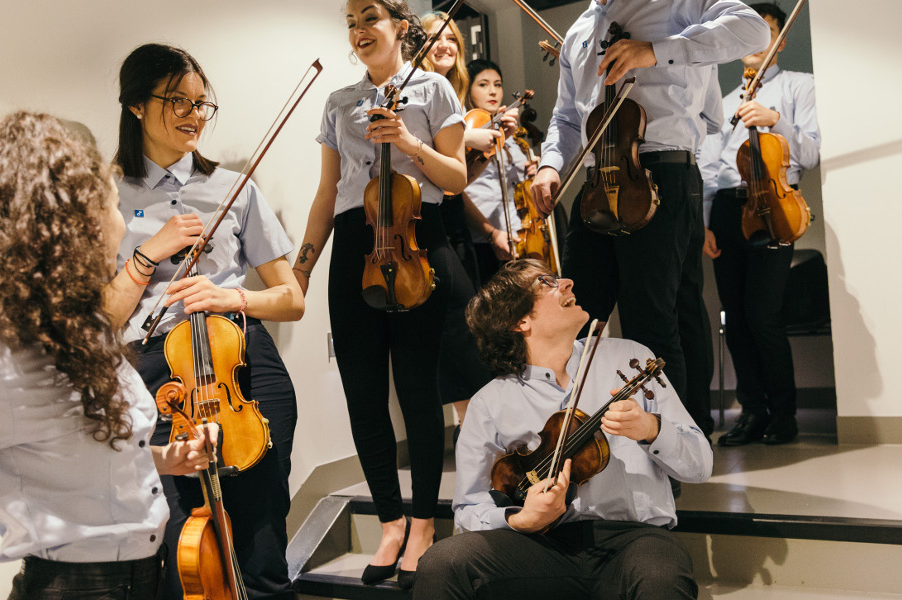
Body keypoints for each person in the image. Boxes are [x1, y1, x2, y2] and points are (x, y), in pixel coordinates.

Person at [0, 111, 210, 600]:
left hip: (144, 578)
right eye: (115, 206)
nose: (122, 226)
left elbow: (82, 457)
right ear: (72, 227)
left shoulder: (78, 329)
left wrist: (167, 459)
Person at [104, 43, 304, 600]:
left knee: (263, 533)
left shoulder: (233, 189)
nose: (195, 115)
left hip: (240, 360)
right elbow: (101, 319)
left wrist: (229, 298)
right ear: (137, 106)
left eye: (201, 104)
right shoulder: (106, 194)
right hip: (152, 371)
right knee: (180, 543)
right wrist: (149, 256)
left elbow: (291, 299)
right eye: (178, 102)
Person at [529, 0, 771, 441]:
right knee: (575, 317)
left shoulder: (680, 3)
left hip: (661, 170)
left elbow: (754, 31)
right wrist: (550, 164)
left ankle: (671, 451)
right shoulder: (582, 29)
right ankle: (580, 449)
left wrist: (654, 50)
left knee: (652, 322)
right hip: (595, 179)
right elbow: (567, 116)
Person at [292, 0, 466, 589]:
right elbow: (326, 191)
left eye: (370, 16)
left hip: (418, 239)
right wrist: (303, 267)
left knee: (418, 390)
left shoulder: (435, 90)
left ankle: (423, 523)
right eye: (351, 23)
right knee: (363, 392)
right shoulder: (340, 102)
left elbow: (457, 178)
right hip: (353, 246)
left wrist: (411, 146)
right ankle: (390, 521)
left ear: (399, 25)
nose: (359, 30)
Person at [411, 259, 712, 599]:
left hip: (634, 540)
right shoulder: (488, 403)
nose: (567, 282)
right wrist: (521, 520)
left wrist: (651, 428)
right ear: (519, 320)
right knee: (441, 562)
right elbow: (468, 510)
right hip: (538, 546)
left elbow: (701, 465)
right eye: (546, 282)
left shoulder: (630, 358)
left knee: (662, 577)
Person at [699, 2, 821, 446]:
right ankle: (752, 411)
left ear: (780, 40)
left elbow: (809, 154)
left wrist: (776, 121)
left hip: (774, 206)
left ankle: (784, 414)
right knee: (735, 317)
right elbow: (710, 170)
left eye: (764, 33)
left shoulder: (799, 86)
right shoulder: (726, 103)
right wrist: (705, 224)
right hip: (729, 212)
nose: (754, 43)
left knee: (764, 315)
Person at [419, 13, 494, 429]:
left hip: (451, 220)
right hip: (426, 221)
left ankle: (474, 430)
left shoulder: (455, 95)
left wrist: (483, 155)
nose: (445, 45)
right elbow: (422, 142)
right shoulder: (420, 90)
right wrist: (469, 137)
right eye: (435, 39)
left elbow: (455, 186)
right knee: (460, 328)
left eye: (452, 38)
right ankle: (473, 431)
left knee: (466, 327)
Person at [462, 59, 537, 285]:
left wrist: (534, 171)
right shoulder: (465, 134)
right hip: (481, 241)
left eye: (498, 84)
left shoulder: (513, 137)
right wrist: (492, 234)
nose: (493, 91)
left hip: (517, 238)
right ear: (468, 90)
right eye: (483, 84)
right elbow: (457, 191)